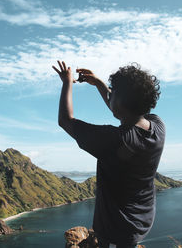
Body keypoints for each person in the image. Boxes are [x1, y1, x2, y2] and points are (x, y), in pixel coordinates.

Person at [53, 61, 165, 248]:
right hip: (142, 220)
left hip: (114, 227)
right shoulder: (158, 127)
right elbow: (123, 111)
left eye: (113, 92)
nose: (110, 94)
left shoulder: (114, 140)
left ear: (120, 102)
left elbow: (65, 121)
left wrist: (67, 83)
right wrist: (98, 83)